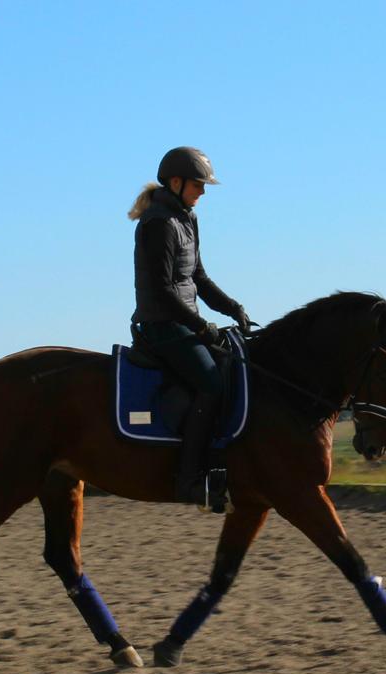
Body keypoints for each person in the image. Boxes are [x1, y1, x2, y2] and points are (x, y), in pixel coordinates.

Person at [129, 146, 253, 506]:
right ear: (177, 182)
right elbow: (165, 291)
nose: (203, 192)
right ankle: (188, 479)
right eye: (199, 184)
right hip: (161, 326)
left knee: (232, 367)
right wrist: (201, 327)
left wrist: (233, 308)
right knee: (212, 384)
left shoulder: (186, 219)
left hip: (182, 322)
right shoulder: (158, 224)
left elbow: (198, 277)